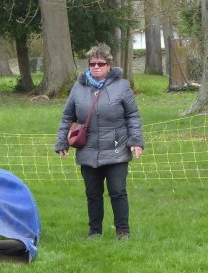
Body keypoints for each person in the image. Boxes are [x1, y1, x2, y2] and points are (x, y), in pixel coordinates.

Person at [54, 43, 144, 240]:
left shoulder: (122, 86)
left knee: (118, 192)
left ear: (109, 65)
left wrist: (135, 141)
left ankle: (123, 231)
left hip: (116, 150)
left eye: (100, 63)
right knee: (93, 194)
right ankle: (94, 232)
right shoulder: (78, 87)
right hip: (87, 151)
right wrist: (61, 141)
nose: (96, 67)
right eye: (92, 63)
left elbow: (133, 116)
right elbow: (67, 116)